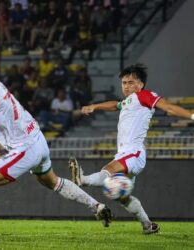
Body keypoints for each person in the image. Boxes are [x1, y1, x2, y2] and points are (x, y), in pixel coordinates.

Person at [0, 48, 112, 244]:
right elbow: (7, 117)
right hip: (38, 140)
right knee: (54, 182)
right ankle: (97, 206)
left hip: (25, 149)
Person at [70, 63, 194, 234]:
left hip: (133, 153)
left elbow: (169, 108)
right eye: (124, 83)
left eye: (130, 82)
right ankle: (147, 225)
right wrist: (95, 106)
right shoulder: (129, 101)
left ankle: (82, 180)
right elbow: (116, 105)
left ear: (140, 84)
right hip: (126, 154)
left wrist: (192, 115)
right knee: (122, 197)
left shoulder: (145, 95)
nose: (126, 86)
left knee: (108, 170)